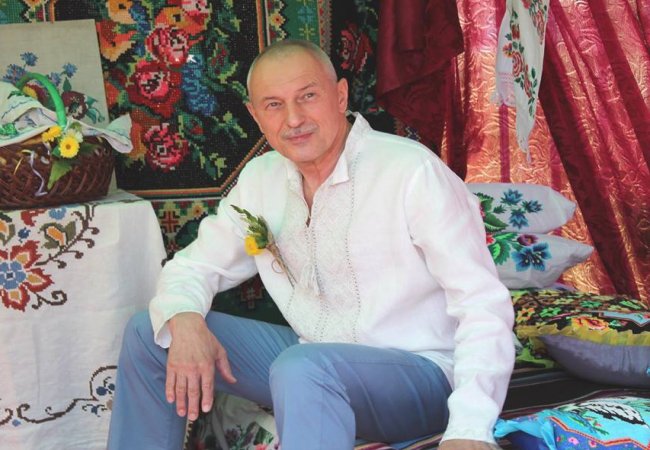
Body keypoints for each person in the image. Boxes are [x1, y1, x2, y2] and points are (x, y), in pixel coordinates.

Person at [107, 39, 514, 450]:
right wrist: (185, 318)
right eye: (274, 105)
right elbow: (193, 266)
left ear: (340, 96)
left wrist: (470, 428)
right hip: (311, 360)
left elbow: (482, 303)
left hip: (421, 376)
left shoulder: (412, 172)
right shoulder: (260, 179)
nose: (294, 119)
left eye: (308, 96)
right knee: (152, 332)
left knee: (304, 367)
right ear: (255, 116)